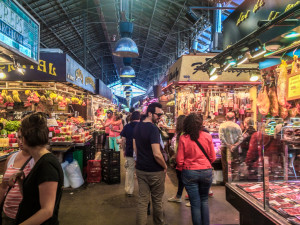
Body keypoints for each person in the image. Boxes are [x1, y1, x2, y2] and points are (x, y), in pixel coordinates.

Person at [16, 112, 63, 225]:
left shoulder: (46, 165)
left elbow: (47, 211)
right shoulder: (39, 161)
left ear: (26, 139)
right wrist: (21, 182)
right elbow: (32, 199)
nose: (20, 141)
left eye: (21, 137)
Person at [176, 113, 216, 225]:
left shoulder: (183, 138)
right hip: (206, 171)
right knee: (204, 200)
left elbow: (179, 160)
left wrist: (181, 168)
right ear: (200, 124)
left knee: (195, 202)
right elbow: (212, 157)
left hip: (189, 172)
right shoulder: (207, 136)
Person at [133, 102, 167, 225]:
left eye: (161, 115)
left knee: (143, 201)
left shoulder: (137, 127)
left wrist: (139, 160)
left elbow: (135, 147)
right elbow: (157, 154)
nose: (160, 117)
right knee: (157, 201)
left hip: (141, 169)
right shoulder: (153, 129)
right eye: (158, 115)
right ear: (150, 113)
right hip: (155, 171)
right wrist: (165, 165)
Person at [0, 129, 34, 225]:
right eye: (19, 137)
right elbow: (3, 187)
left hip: (27, 216)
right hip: (7, 214)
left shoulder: (36, 160)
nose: (20, 141)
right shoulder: (11, 158)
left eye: (23, 137)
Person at [218, 112, 243, 183]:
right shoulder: (237, 126)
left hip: (225, 147)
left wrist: (228, 145)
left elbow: (221, 137)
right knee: (234, 163)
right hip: (234, 148)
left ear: (226, 117)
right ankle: (234, 180)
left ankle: (226, 181)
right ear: (234, 118)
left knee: (225, 164)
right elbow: (241, 138)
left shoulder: (222, 126)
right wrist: (234, 145)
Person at [120, 111, 141, 197]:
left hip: (129, 151)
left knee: (130, 171)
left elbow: (123, 140)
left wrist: (124, 150)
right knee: (141, 172)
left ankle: (129, 191)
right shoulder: (142, 126)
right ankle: (143, 191)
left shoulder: (127, 126)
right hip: (141, 153)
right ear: (139, 118)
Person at [168, 115, 186, 203]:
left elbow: (179, 148)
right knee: (182, 179)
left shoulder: (182, 135)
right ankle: (178, 195)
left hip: (182, 159)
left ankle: (184, 196)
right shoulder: (183, 133)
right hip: (182, 159)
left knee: (182, 178)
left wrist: (177, 159)